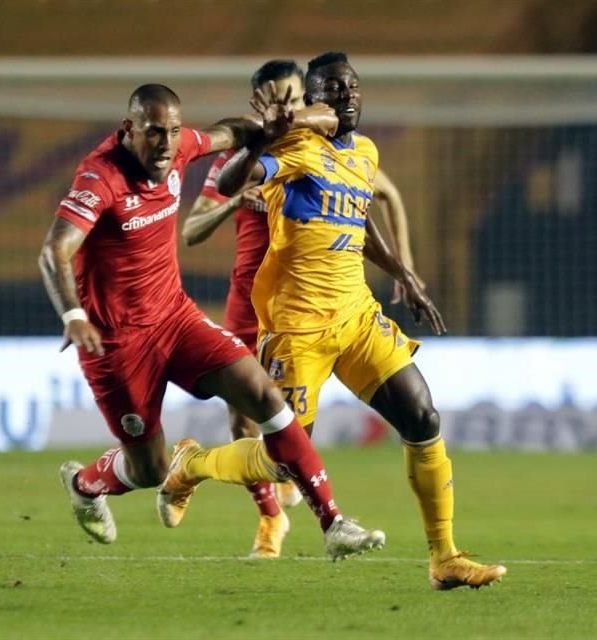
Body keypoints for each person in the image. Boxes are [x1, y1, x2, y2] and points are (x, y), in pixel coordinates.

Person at [161, 53, 507, 590]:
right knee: (284, 464)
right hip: (298, 324)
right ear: (315, 98)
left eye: (352, 86)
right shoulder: (297, 150)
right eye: (331, 88)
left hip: (357, 317)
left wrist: (403, 273)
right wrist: (258, 140)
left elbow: (362, 218)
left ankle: (445, 557)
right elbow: (233, 181)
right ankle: (192, 464)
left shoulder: (364, 153)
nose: (345, 95)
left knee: (423, 418)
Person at [39, 83, 386, 561]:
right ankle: (85, 483)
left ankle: (334, 523)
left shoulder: (182, 147)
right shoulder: (100, 178)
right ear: (128, 129)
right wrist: (74, 315)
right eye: (154, 133)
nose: (165, 144)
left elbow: (228, 132)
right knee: (150, 470)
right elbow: (54, 250)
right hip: (116, 344)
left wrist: (268, 131)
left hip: (176, 319)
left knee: (265, 396)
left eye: (173, 132)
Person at [181, 59, 424, 559]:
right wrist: (237, 199)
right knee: (244, 423)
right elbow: (191, 230)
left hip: (316, 304)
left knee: (283, 440)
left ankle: (210, 471)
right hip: (251, 300)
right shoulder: (254, 154)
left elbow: (381, 201)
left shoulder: (321, 148)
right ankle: (271, 520)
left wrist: (405, 269)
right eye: (274, 98)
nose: (287, 107)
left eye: (292, 96)